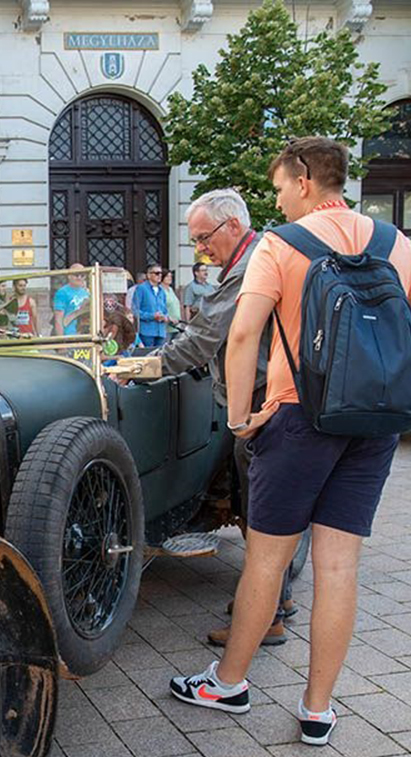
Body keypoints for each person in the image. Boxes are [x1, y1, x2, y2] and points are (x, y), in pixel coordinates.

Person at [170, 137, 411, 746]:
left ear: (304, 180)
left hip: (298, 419)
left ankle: (228, 684)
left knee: (267, 558)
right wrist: (408, 396)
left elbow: (245, 333)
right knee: (338, 565)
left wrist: (242, 417)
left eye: (279, 186)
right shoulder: (393, 242)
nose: (277, 198)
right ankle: (317, 708)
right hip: (373, 425)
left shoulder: (281, 244)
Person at [128, 189, 295, 644]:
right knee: (263, 503)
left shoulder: (248, 267)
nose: (200, 248)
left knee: (259, 509)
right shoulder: (259, 255)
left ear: (233, 227)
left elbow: (204, 340)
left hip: (262, 401)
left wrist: (146, 365)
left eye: (203, 238)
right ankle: (274, 598)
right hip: (271, 397)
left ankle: (267, 616)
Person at [131, 265, 169, 349]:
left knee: (160, 357)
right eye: (156, 273)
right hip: (147, 331)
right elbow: (135, 310)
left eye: (161, 273)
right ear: (148, 275)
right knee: (147, 356)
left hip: (161, 331)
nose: (159, 275)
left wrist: (165, 317)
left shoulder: (162, 290)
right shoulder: (141, 289)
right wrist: (152, 316)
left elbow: (165, 309)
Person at [52, 267, 92, 337]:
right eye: (76, 275)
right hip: (69, 335)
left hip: (85, 333)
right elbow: (58, 319)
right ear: (69, 276)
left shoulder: (86, 292)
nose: (79, 278)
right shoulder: (62, 292)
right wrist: (61, 343)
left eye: (82, 275)